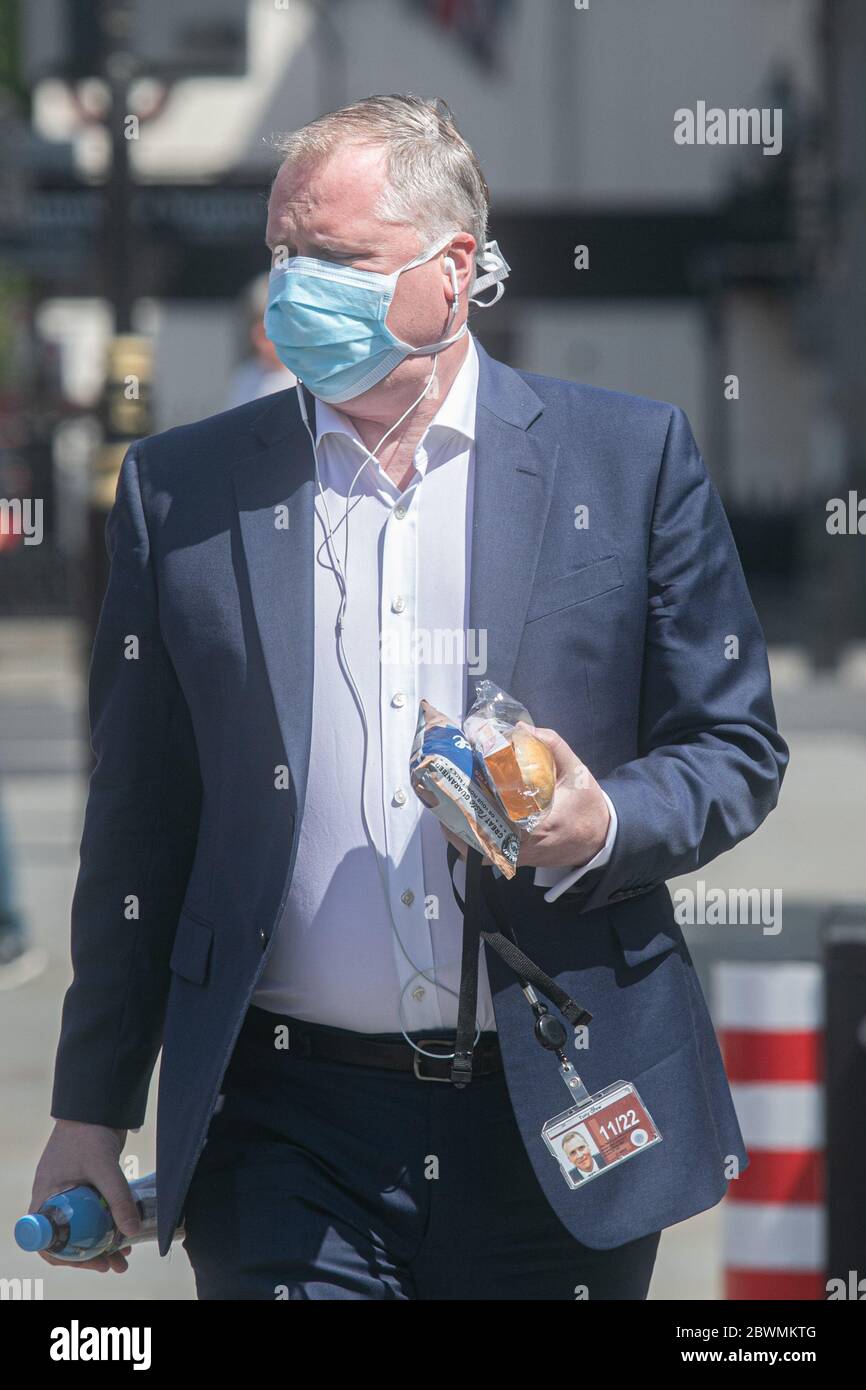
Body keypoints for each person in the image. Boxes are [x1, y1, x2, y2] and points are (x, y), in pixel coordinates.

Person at [32, 95, 788, 1301]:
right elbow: (139, 822)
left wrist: (602, 820)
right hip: (284, 1128)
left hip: (560, 1100)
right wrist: (89, 1107)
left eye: (333, 260)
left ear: (451, 271)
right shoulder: (182, 492)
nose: (293, 290)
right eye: (280, 255)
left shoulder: (626, 460)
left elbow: (732, 744)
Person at [223, 273, 297, 408]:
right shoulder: (246, 375)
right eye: (253, 323)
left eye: (269, 326)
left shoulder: (310, 383)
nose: (257, 337)